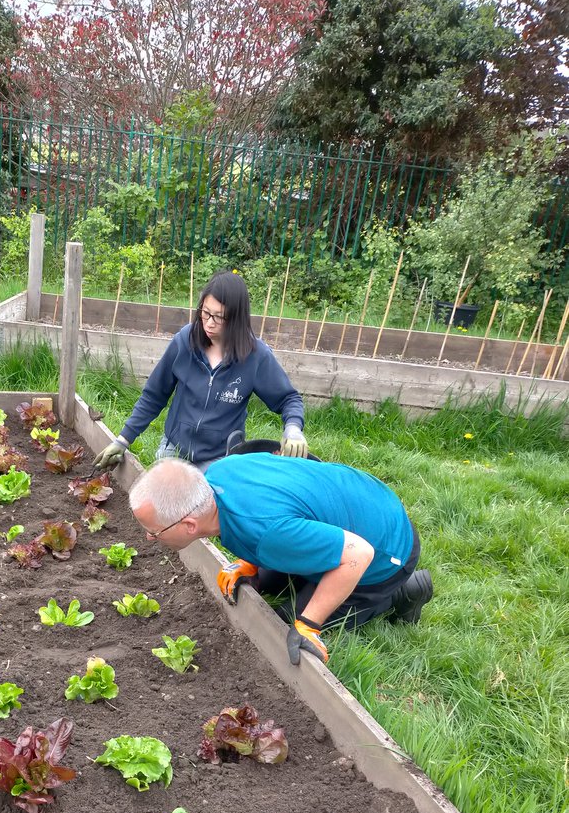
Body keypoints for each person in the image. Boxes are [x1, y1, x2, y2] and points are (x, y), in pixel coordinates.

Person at [128, 455, 433, 666]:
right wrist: (249, 562)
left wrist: (309, 625)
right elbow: (270, 508)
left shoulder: (267, 531)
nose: (149, 539)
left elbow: (358, 554)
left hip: (385, 550)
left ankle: (402, 593)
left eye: (154, 532)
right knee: (266, 580)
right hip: (359, 501)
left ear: (189, 525)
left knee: (287, 619)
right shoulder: (218, 477)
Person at [91, 271, 307, 472]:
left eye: (219, 317)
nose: (209, 323)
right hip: (175, 450)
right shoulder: (185, 342)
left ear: (236, 318)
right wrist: (122, 440)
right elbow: (154, 395)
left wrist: (293, 429)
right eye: (205, 313)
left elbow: (289, 398)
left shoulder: (255, 356)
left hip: (221, 458)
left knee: (211, 510)